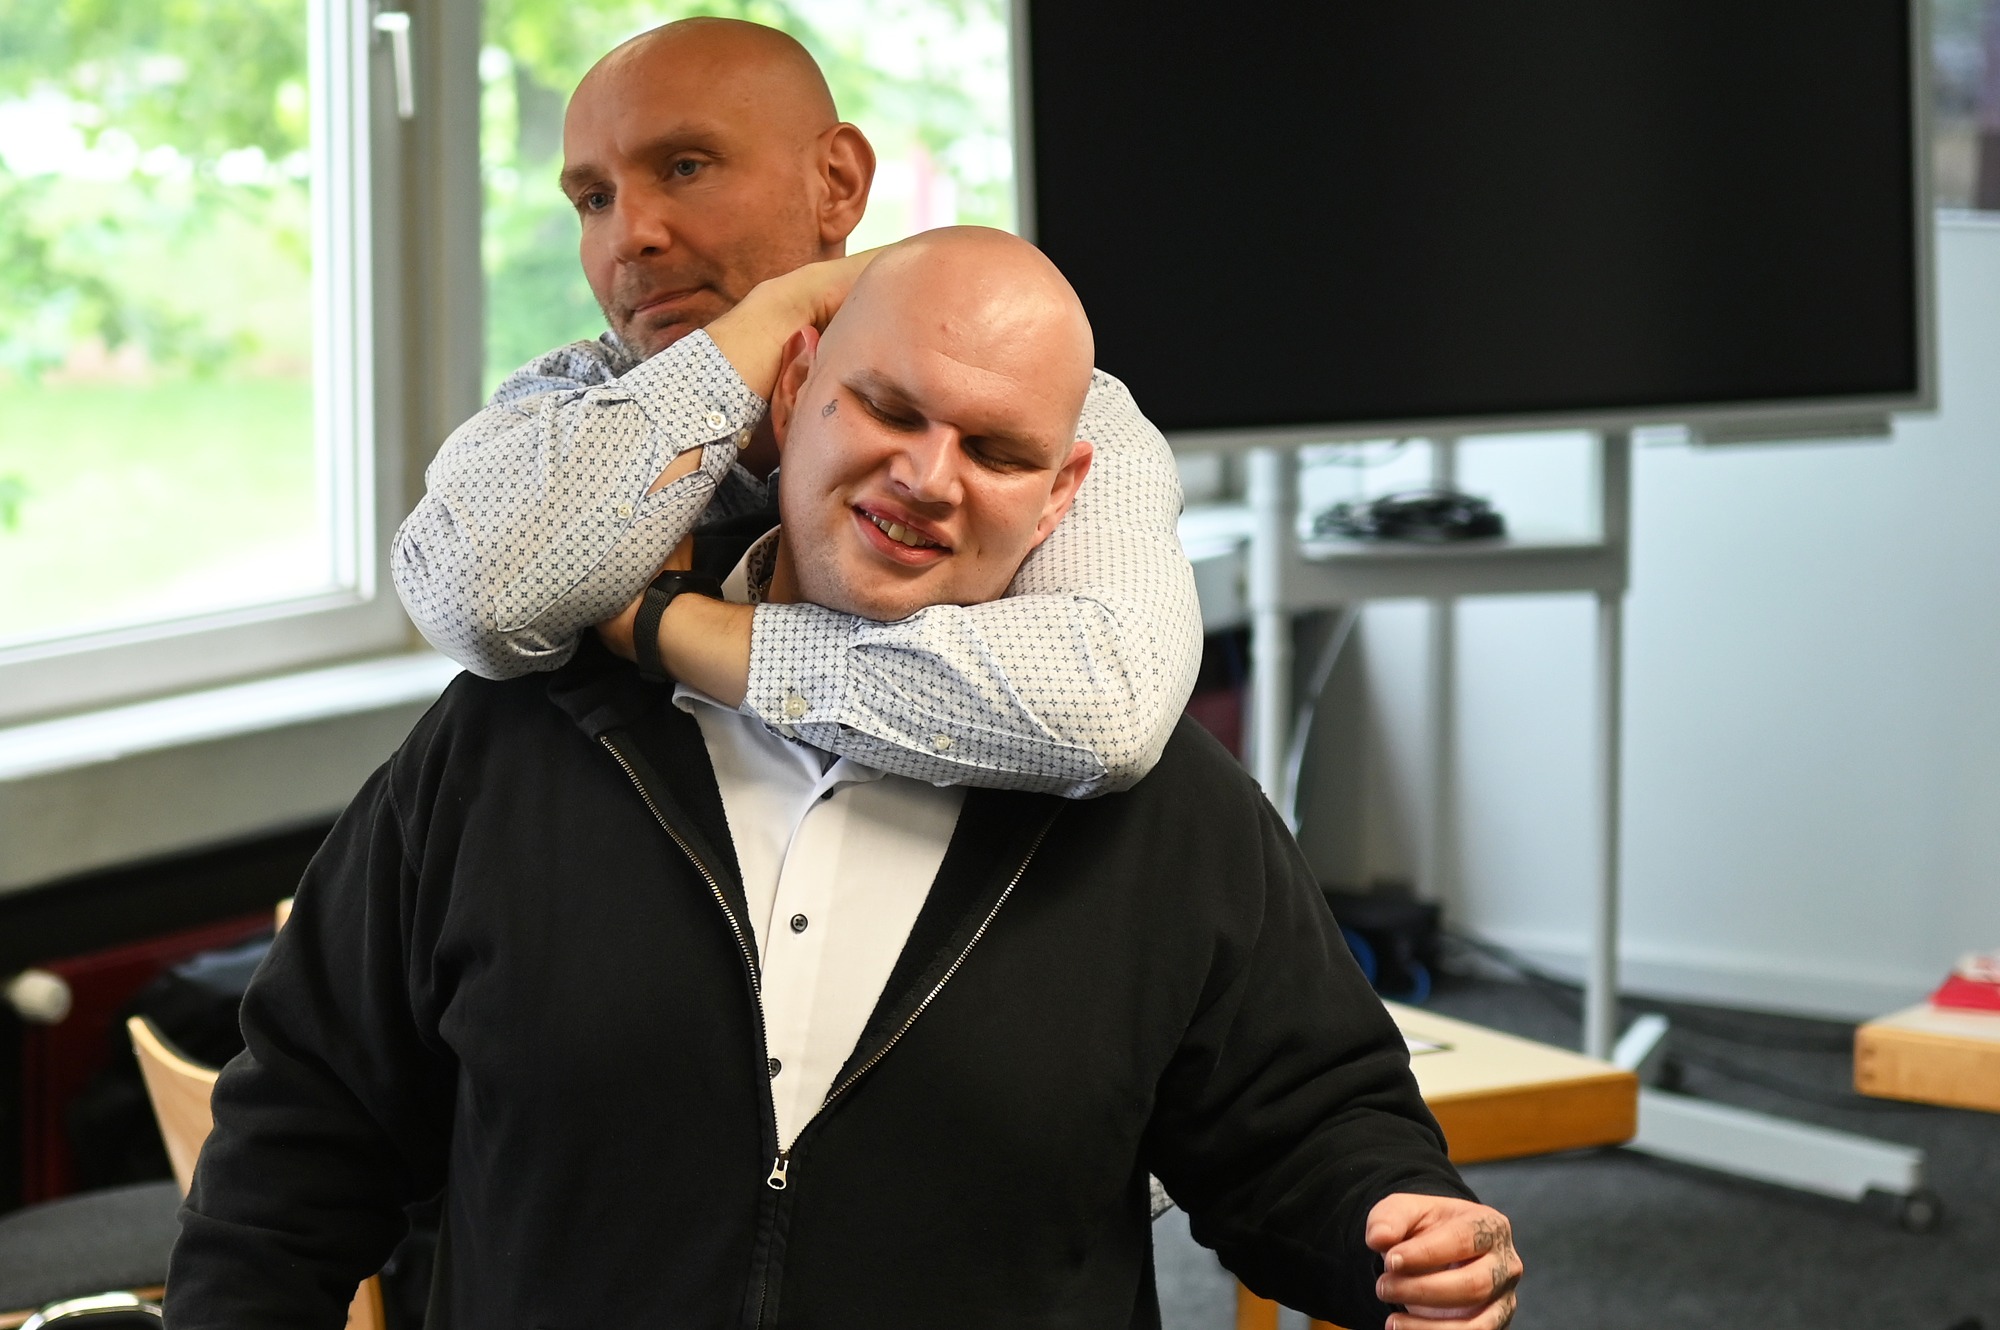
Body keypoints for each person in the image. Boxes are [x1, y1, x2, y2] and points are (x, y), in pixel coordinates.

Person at [167, 229, 1520, 1330]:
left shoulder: (1160, 804)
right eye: (889, 408)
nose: (927, 477)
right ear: (793, 387)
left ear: (1061, 494)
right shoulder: (511, 744)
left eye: (995, 451)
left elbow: (1307, 1119)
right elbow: (305, 1128)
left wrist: (1395, 1227)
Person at [391, 17, 1201, 799]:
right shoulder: (572, 403)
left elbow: (1106, 706)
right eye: (595, 199)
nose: (629, 235)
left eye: (685, 167)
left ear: (836, 183)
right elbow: (477, 602)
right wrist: (780, 311)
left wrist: (664, 627)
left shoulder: (1038, 416)